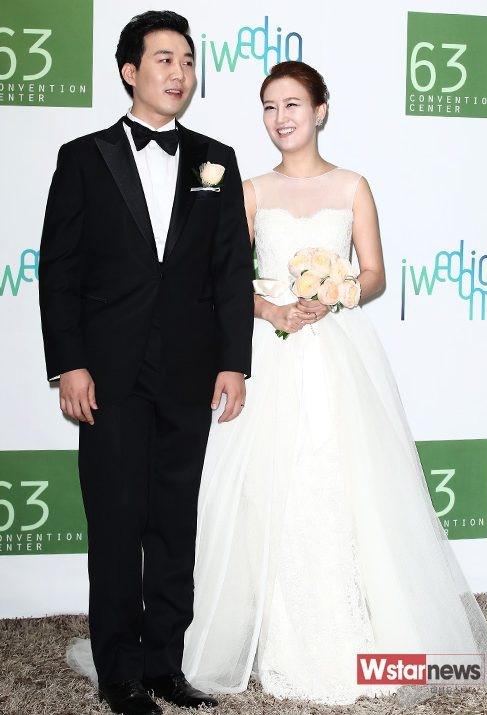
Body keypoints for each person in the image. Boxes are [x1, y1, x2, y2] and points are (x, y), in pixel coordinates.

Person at [178, 61, 487, 705]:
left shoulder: (353, 185)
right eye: (269, 107)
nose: (281, 118)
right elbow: (223, 281)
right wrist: (271, 309)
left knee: (342, 485)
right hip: (269, 355)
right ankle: (276, 637)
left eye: (293, 104)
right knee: (266, 488)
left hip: (336, 354)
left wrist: (337, 291)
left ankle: (355, 635)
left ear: (320, 110)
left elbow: (373, 273)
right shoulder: (250, 190)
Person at [39, 10, 254, 715]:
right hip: (108, 373)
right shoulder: (83, 156)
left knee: (173, 526)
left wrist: (234, 362)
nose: (179, 72)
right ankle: (119, 674)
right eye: (164, 59)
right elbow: (59, 271)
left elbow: (231, 270)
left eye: (188, 60)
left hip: (190, 372)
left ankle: (166, 666)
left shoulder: (216, 158)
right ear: (130, 71)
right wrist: (69, 363)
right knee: (116, 522)